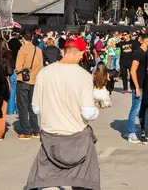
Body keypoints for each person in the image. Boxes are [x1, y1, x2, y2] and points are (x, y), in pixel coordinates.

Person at [25, 37, 100, 190]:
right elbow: (87, 113)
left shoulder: (44, 73)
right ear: (80, 53)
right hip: (77, 139)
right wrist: (96, 109)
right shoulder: (84, 76)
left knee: (47, 182)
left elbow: (36, 109)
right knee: (83, 181)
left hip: (50, 138)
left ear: (63, 51)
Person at [15, 31, 44, 139]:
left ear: (23, 38)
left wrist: (20, 70)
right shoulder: (38, 50)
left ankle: (26, 131)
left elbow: (18, 66)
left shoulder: (22, 50)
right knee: (32, 106)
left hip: (23, 80)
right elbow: (41, 66)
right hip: (34, 81)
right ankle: (36, 130)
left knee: (22, 106)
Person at [127, 33, 148, 143]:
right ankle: (131, 132)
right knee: (135, 109)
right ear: (145, 41)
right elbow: (132, 71)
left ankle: (143, 129)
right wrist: (137, 87)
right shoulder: (138, 53)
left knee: (142, 109)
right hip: (137, 85)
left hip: (144, 84)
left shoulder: (146, 53)